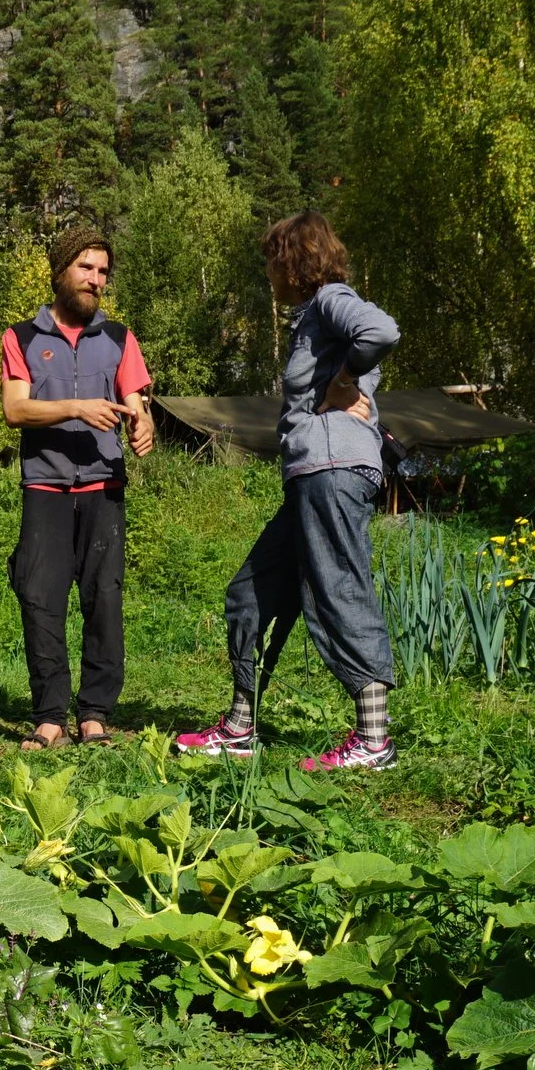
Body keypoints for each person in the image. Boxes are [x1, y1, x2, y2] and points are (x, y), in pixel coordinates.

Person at [178, 211, 401, 770]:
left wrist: (345, 381)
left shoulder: (330, 299)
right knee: (251, 592)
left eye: (273, 261)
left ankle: (375, 742)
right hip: (311, 474)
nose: (269, 275)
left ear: (292, 261)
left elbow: (381, 331)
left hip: (331, 469)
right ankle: (239, 728)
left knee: (337, 590)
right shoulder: (310, 318)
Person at [0, 226, 155, 749]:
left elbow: (136, 400)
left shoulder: (118, 337)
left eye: (103, 271)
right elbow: (15, 409)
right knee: (40, 599)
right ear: (62, 269)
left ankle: (94, 715)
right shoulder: (21, 337)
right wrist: (74, 407)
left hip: (103, 487)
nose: (95, 280)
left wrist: (143, 423)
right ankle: (49, 717)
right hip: (44, 487)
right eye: (86, 267)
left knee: (103, 599)